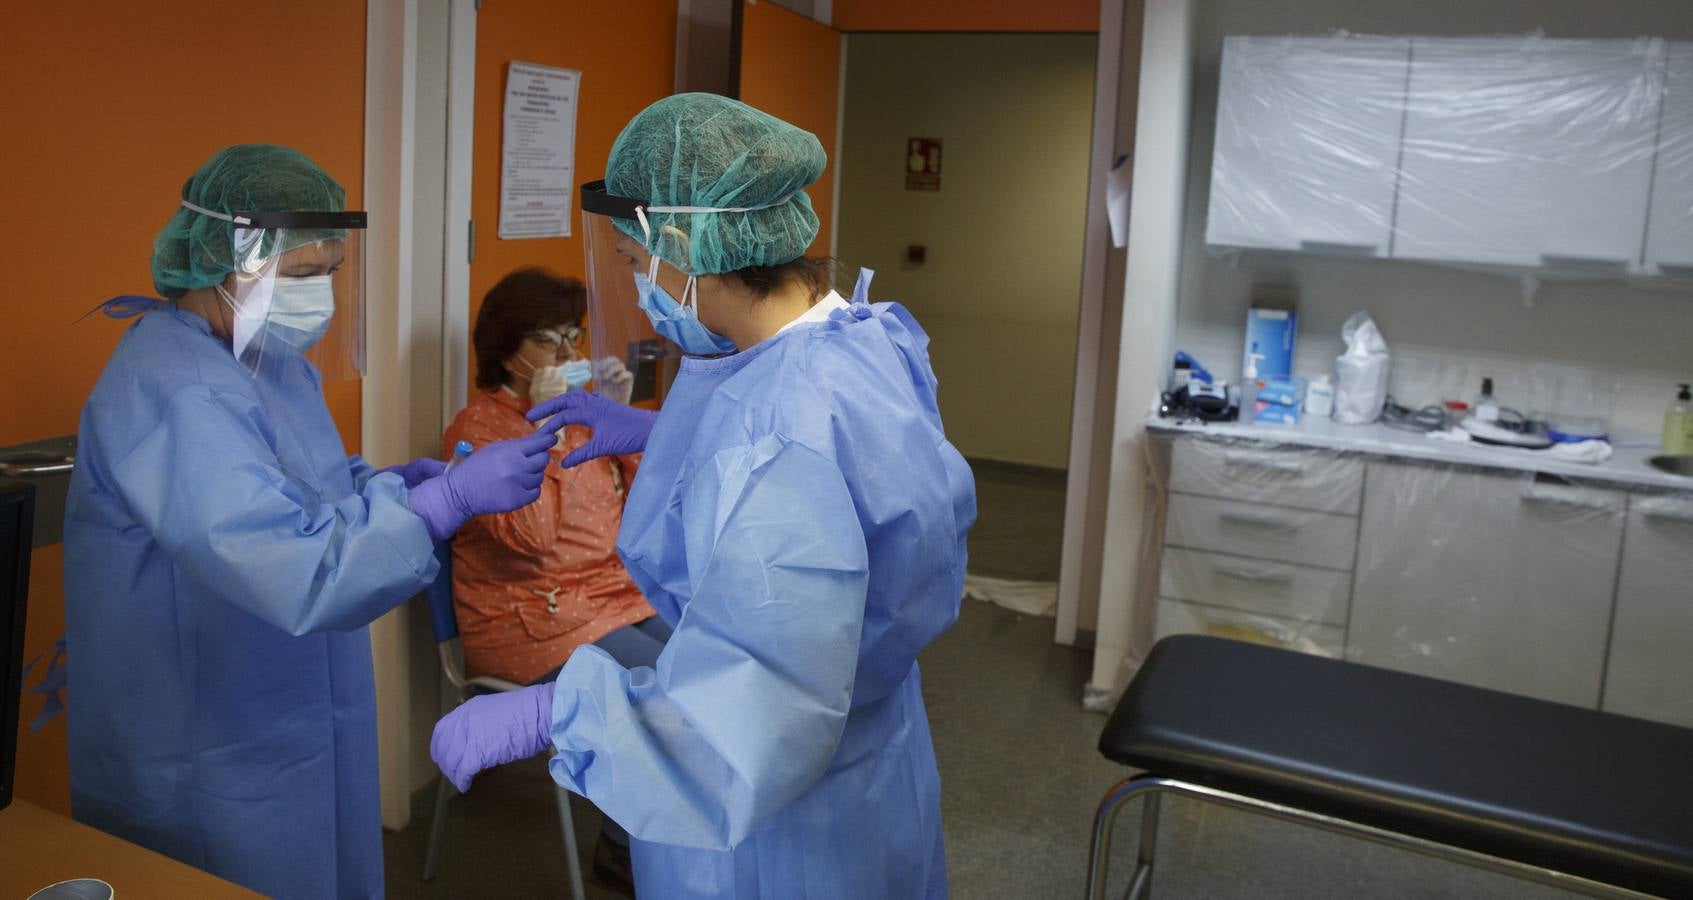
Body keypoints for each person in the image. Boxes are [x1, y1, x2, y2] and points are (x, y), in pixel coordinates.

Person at [430, 94, 977, 899]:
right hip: (866, 758)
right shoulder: (858, 338)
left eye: (631, 257)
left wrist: (555, 715)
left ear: (682, 242)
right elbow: (848, 497)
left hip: (776, 817)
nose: (634, 280)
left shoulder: (779, 435)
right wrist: (655, 432)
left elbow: (756, 705)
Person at [63, 144, 564, 900]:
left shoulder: (264, 360)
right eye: (301, 275)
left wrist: (391, 484)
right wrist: (445, 504)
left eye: (331, 271)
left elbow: (302, 484)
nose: (321, 294)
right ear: (217, 259)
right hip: (203, 732)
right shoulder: (174, 390)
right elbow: (294, 565)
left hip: (288, 701)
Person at [445, 266, 670, 893]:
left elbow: (650, 501)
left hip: (609, 597)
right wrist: (538, 431)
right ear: (507, 349)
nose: (571, 353)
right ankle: (624, 847)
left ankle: (680, 829)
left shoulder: (574, 410)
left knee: (711, 661)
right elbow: (533, 538)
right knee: (659, 696)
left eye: (574, 335)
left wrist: (620, 419)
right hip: (529, 622)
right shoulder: (476, 432)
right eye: (550, 339)